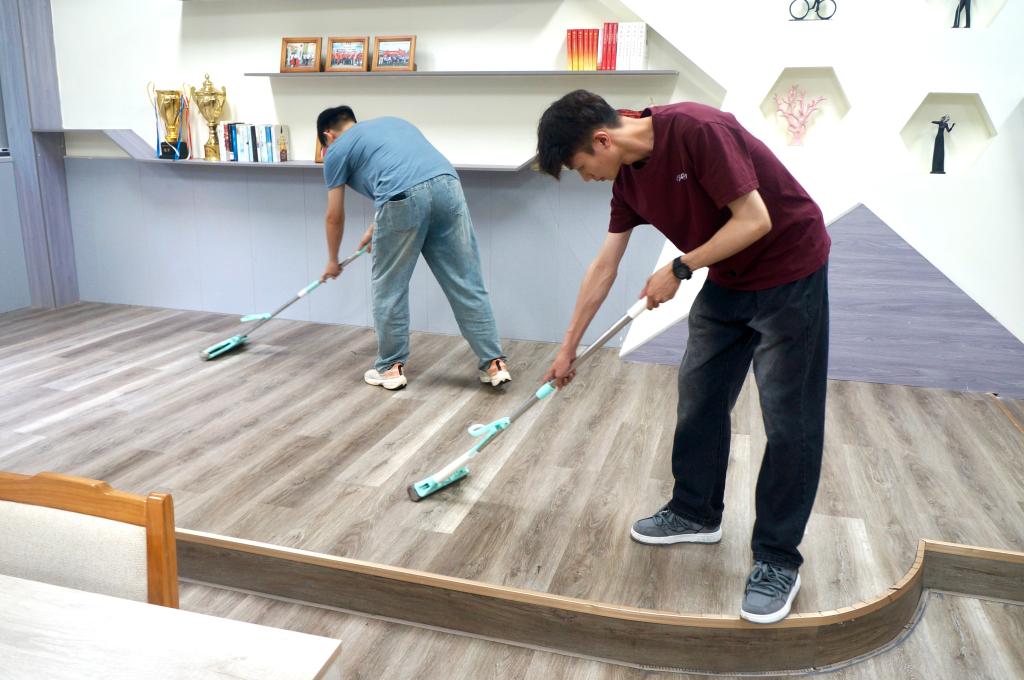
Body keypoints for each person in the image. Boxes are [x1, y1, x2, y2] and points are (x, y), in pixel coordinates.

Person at [535, 90, 830, 624]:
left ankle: (777, 558)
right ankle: (696, 511)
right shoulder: (627, 179)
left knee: (790, 422)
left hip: (791, 270)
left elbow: (755, 220)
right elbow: (604, 265)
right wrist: (568, 347)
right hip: (731, 278)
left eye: (581, 167)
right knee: (700, 395)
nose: (587, 178)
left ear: (603, 140)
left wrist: (679, 268)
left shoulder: (698, 129)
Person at [317, 106, 511, 390]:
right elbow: (414, 178)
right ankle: (494, 363)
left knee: (390, 288)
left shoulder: (335, 150)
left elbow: (334, 216)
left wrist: (332, 260)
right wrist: (378, 225)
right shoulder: (391, 122)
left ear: (327, 136)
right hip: (448, 187)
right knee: (466, 281)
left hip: (401, 198)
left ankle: (390, 368)